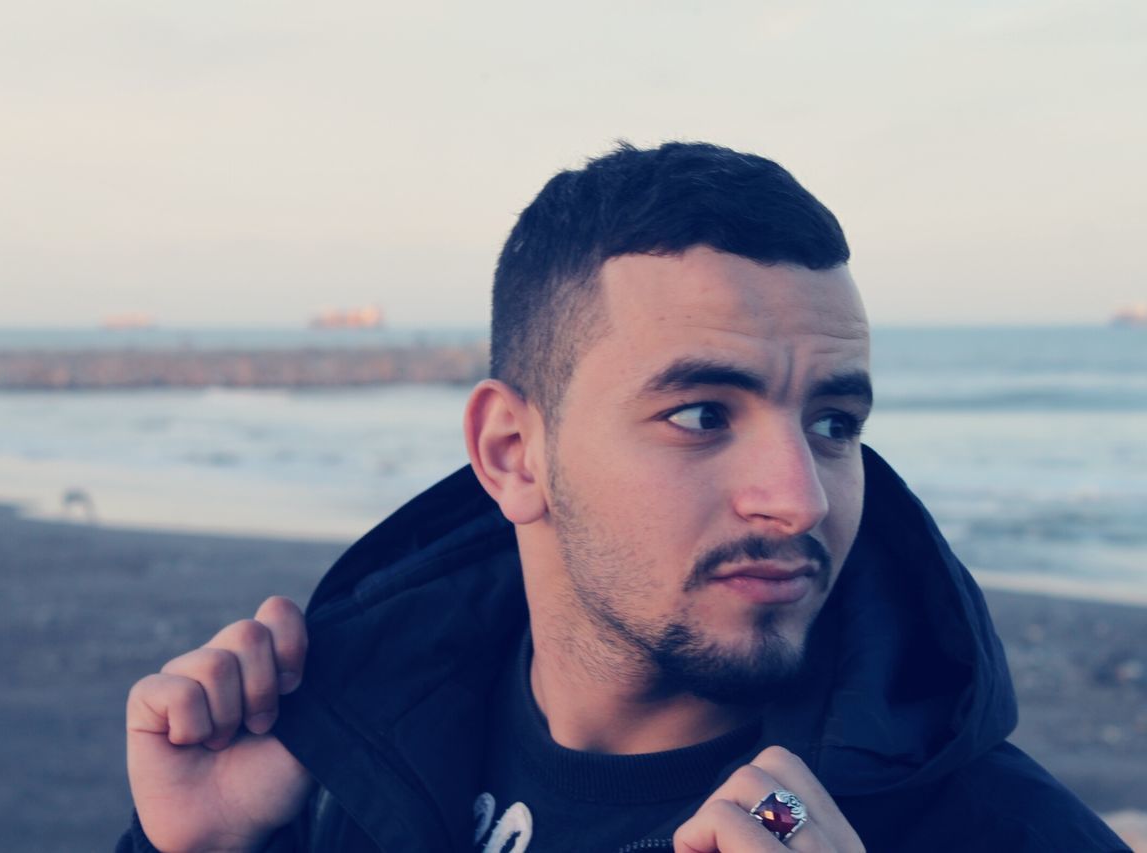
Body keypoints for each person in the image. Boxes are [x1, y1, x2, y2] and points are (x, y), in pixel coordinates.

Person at [118, 142, 1129, 852]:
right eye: (699, 415)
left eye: (832, 424)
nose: (800, 500)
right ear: (512, 452)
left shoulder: (1000, 833)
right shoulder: (333, 760)